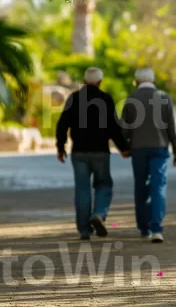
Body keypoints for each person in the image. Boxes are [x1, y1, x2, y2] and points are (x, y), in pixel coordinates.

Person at [56, 67, 129, 241]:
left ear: (84, 80)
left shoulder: (74, 98)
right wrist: (123, 148)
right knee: (104, 185)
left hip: (79, 152)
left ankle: (84, 231)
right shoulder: (105, 99)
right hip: (100, 152)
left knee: (82, 190)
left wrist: (61, 146)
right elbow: (114, 127)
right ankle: (99, 213)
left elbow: (62, 123)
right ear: (100, 82)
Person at [121, 68, 176, 243]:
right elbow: (173, 128)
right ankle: (157, 229)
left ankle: (143, 228)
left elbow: (124, 128)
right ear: (153, 81)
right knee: (158, 187)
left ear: (137, 81)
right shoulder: (164, 97)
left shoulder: (131, 99)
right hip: (160, 148)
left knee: (141, 187)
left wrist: (124, 148)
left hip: (138, 149)